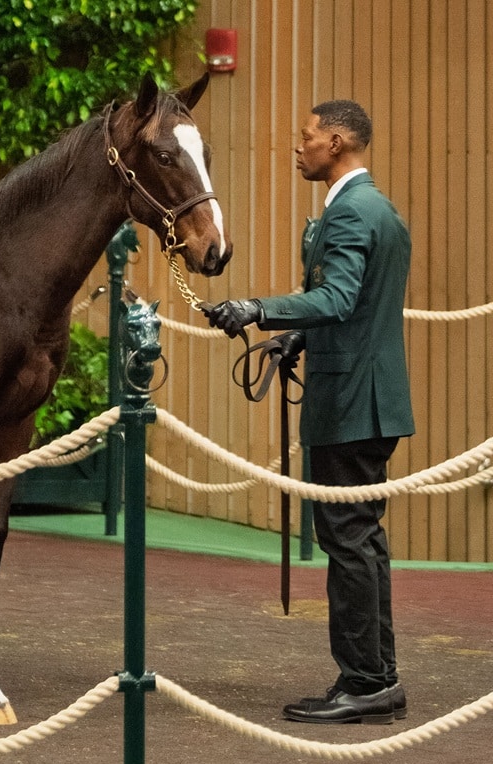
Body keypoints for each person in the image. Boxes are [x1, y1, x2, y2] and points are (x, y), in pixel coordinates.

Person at [203, 100, 414, 725]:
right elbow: (362, 307)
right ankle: (378, 678)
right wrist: (301, 337)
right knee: (363, 540)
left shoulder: (349, 212)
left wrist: (255, 308)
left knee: (348, 541)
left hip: (350, 402)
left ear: (338, 139)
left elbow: (340, 295)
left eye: (309, 136)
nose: (300, 146)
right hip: (371, 396)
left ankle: (366, 682)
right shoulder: (376, 209)